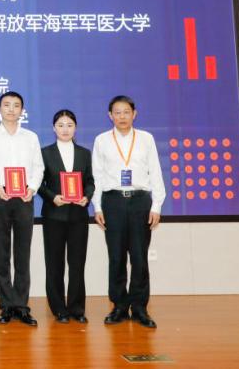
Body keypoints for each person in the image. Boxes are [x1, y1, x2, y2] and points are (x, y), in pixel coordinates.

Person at [92, 95, 165, 328]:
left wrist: (156, 205)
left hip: (140, 201)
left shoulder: (146, 139)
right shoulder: (102, 140)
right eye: (117, 112)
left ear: (134, 114)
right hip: (112, 201)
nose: (122, 116)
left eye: (126, 112)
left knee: (139, 256)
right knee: (116, 256)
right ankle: (119, 306)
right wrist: (97, 206)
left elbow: (155, 172)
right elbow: (97, 176)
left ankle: (140, 307)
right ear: (110, 115)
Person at [0, 91, 44, 326]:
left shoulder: (30, 137)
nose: (11, 109)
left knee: (23, 253)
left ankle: (22, 305)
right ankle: (6, 305)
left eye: (16, 105)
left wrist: (32, 188)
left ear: (22, 111)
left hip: (24, 197)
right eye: (7, 105)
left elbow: (38, 167)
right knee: (2, 252)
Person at [37, 110, 95, 324]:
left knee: (77, 263)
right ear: (54, 128)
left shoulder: (84, 153)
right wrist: (53, 197)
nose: (65, 129)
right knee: (55, 264)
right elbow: (38, 183)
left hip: (78, 215)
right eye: (60, 125)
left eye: (69, 125)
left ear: (75, 128)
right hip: (54, 215)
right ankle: (59, 308)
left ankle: (77, 308)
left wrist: (87, 196)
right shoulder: (44, 153)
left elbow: (90, 181)